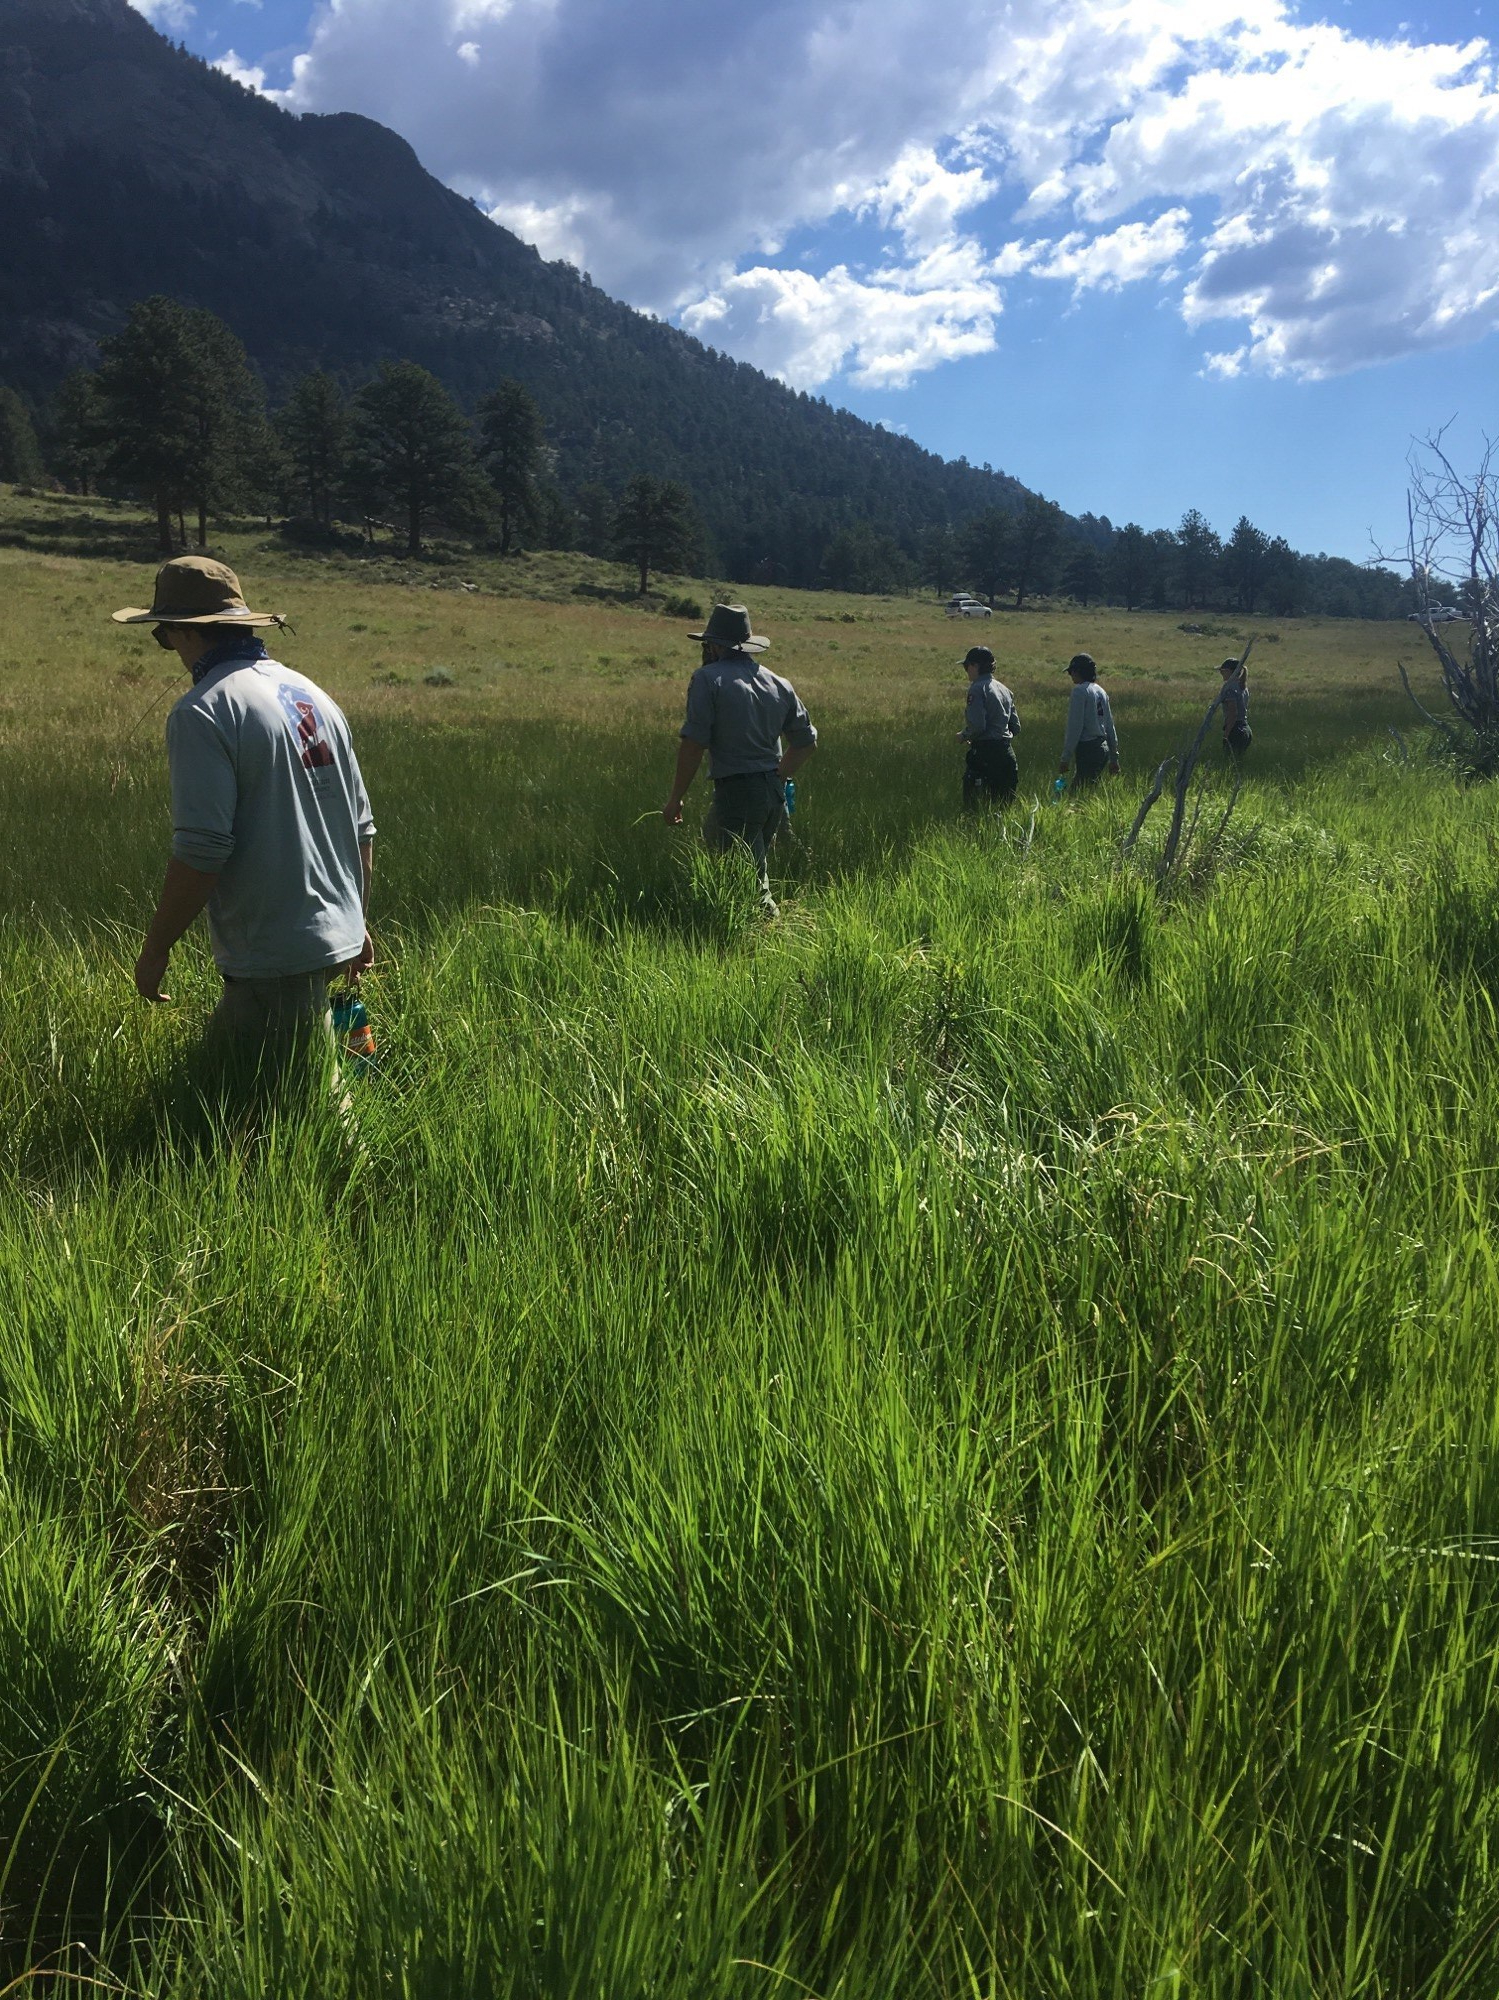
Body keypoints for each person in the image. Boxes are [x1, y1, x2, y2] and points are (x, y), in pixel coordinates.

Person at [114, 555, 375, 1083]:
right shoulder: (314, 695)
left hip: (273, 951)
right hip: (332, 937)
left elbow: (202, 850)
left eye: (163, 636)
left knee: (287, 1112)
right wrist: (354, 918)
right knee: (258, 1095)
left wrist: (156, 948)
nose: (169, 650)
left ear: (185, 632)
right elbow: (361, 828)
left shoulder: (203, 710)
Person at [663, 602, 817, 915]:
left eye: (707, 644)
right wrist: (778, 777)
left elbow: (694, 744)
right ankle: (734, 925)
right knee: (736, 861)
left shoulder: (708, 679)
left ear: (714, 645)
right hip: (773, 797)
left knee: (747, 879)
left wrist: (676, 798)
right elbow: (806, 741)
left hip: (737, 793)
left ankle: (761, 935)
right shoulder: (778, 683)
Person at [955, 644, 1020, 808]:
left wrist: (964, 735)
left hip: (985, 757)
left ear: (975, 666)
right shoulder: (1005, 690)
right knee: (1004, 808)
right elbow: (1016, 727)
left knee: (976, 810)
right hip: (1007, 755)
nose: (966, 670)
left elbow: (978, 726)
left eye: (966, 666)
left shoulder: (976, 689)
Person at [1058, 652, 1120, 789]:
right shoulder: (1101, 691)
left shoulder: (1079, 692)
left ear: (1077, 671)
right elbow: (1110, 725)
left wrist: (1065, 758)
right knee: (1088, 789)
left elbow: (1075, 727)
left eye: (1071, 672)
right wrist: (1114, 758)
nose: (1071, 676)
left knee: (1078, 794)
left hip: (1088, 748)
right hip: (1103, 749)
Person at [1218, 655, 1251, 758]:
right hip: (1246, 729)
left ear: (1230, 671)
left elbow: (1233, 712)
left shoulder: (1230, 688)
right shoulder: (1243, 686)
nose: (1221, 673)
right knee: (1239, 762)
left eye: (1223, 671)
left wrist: (1227, 733)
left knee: (1229, 762)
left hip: (1235, 730)